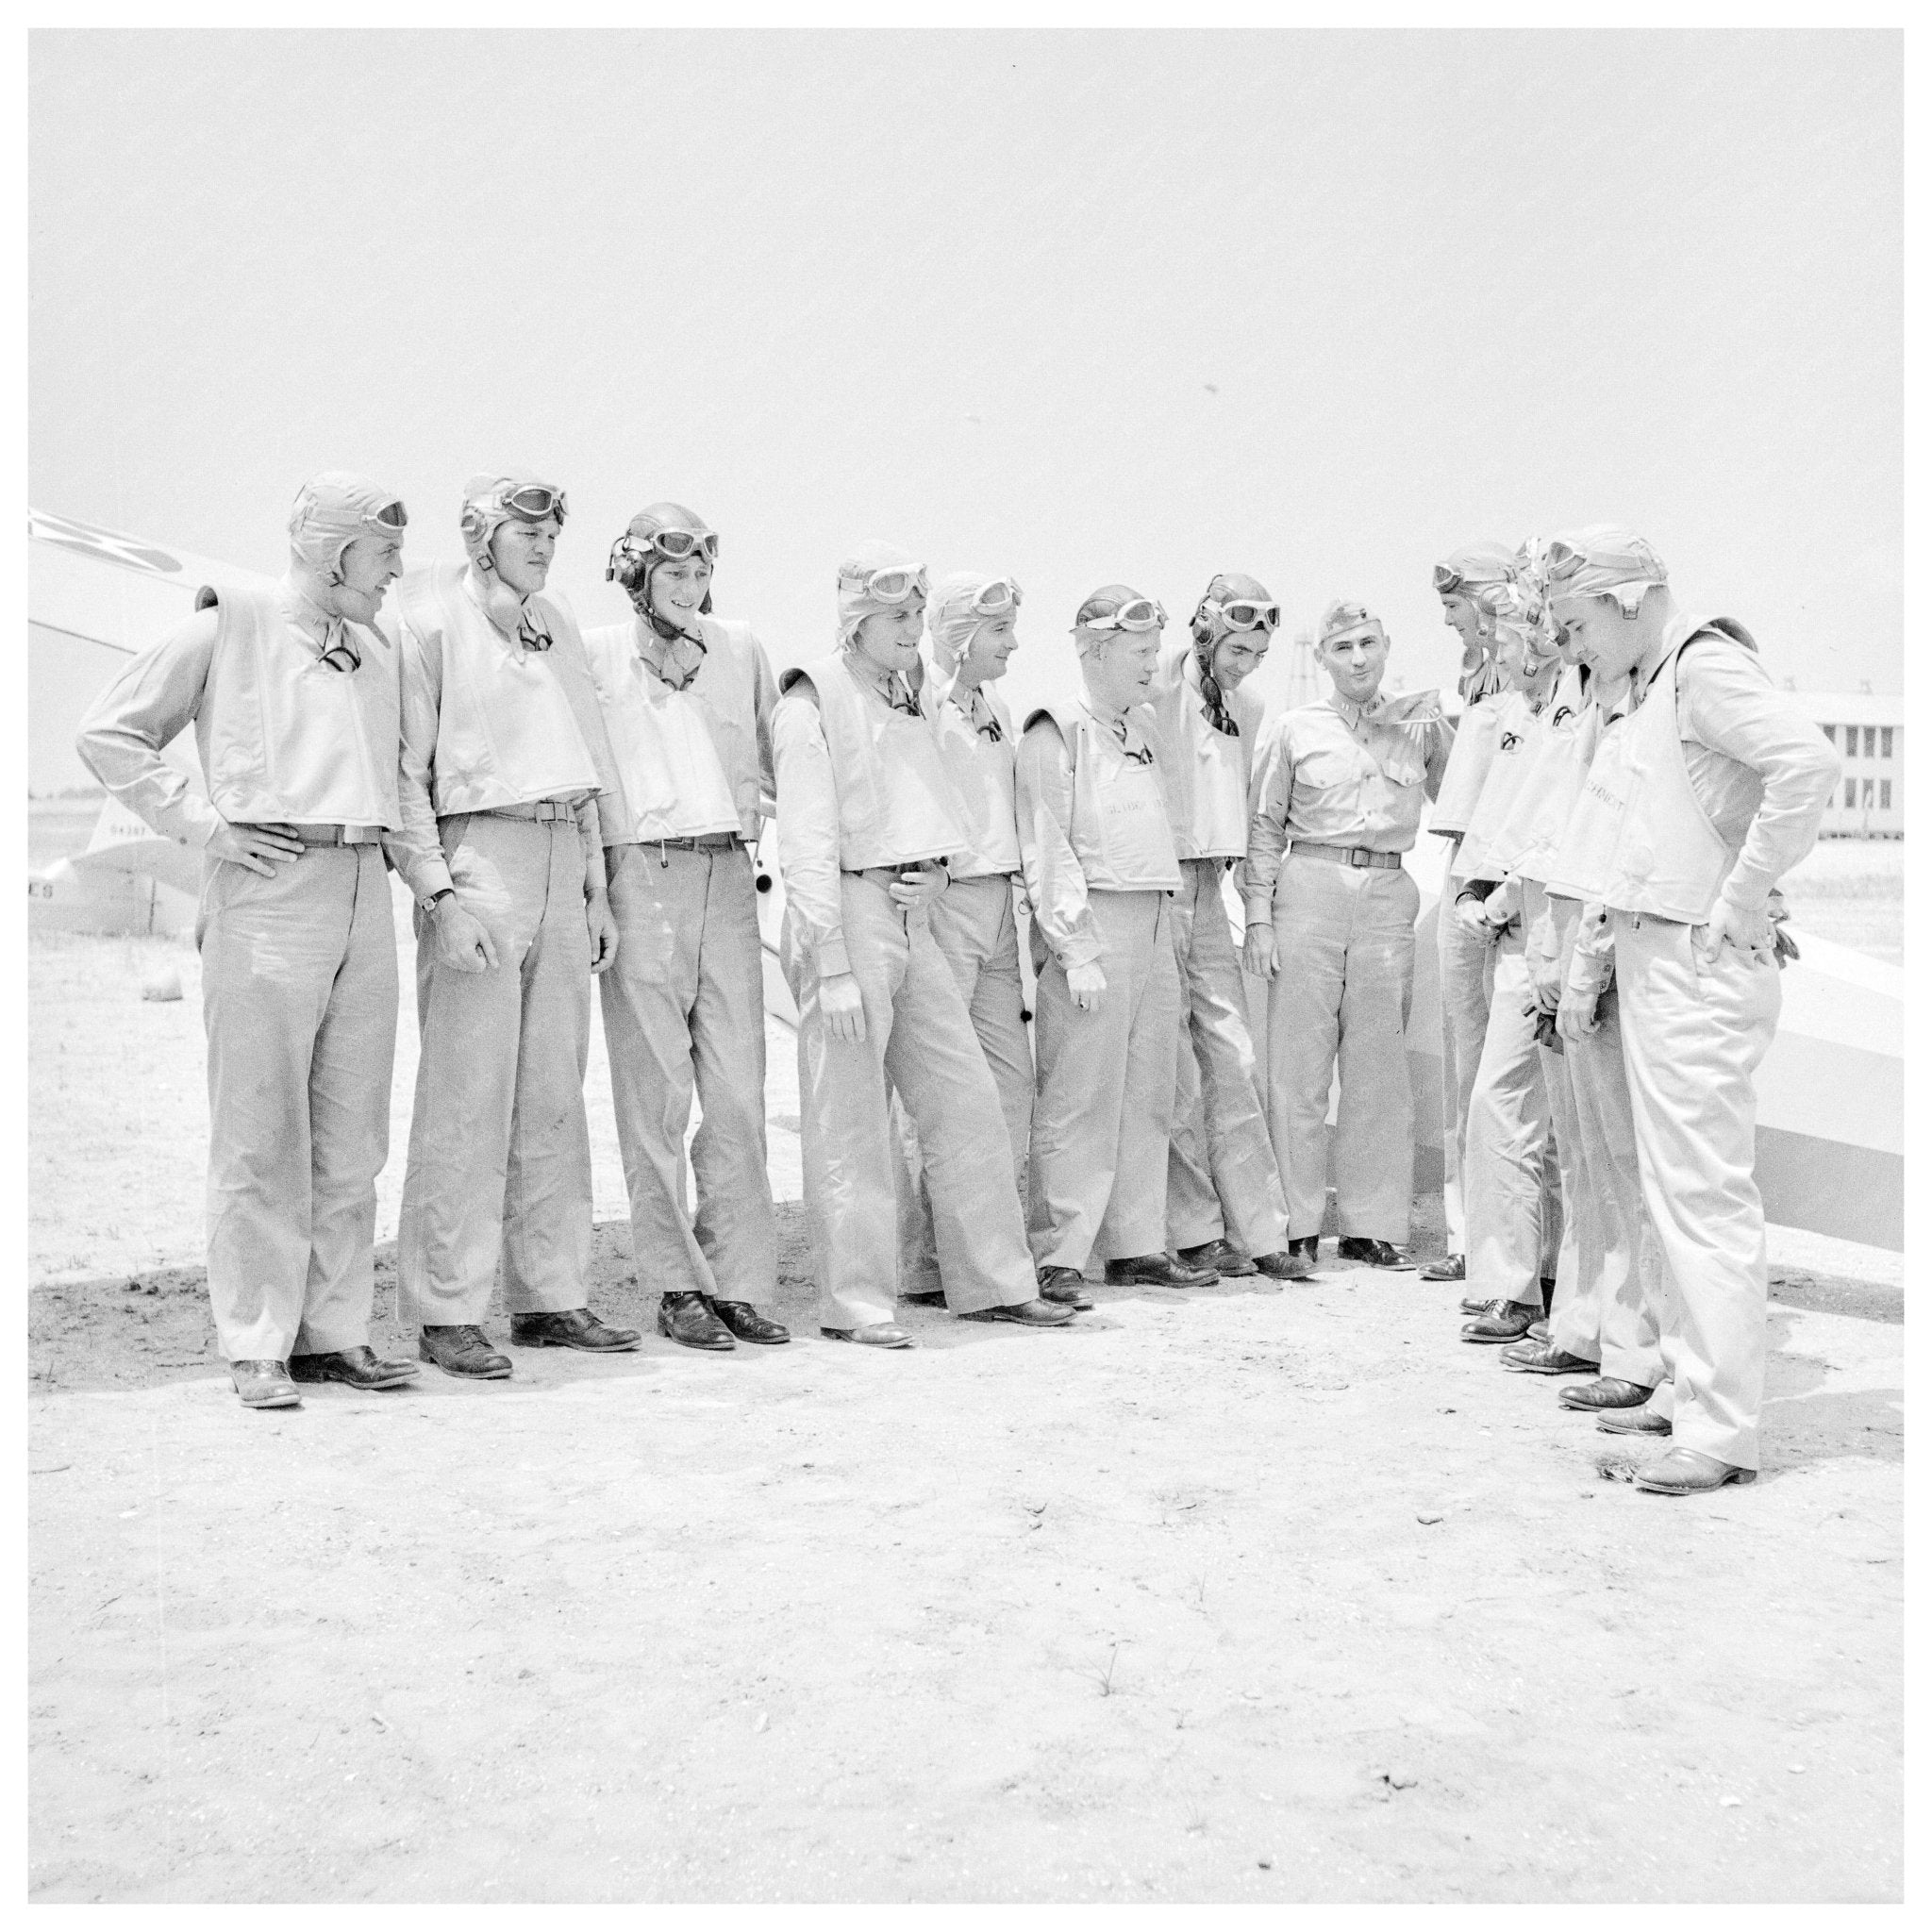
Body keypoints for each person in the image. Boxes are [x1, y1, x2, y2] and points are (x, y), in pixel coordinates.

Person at [76, 474, 419, 1409]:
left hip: (362, 884)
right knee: (262, 1131)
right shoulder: (228, 623)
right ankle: (258, 1338)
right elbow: (109, 732)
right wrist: (205, 825)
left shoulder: (381, 648)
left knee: (351, 1134)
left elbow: (400, 775)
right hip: (268, 887)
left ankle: (335, 1330)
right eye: (383, 554)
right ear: (334, 550)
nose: (395, 571)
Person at [1543, 525, 1838, 1494]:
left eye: (1576, 621)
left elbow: (1806, 766)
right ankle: (1683, 1388)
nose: (1569, 643)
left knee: (1702, 1197)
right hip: (1650, 949)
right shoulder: (1642, 683)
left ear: (1628, 601)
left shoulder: (1701, 667)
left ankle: (1719, 1432)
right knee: (1668, 1195)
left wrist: (1746, 892)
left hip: (1696, 961)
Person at [774, 542, 1073, 1344]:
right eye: (899, 617)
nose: (915, 630)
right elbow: (803, 841)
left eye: (917, 615)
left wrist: (938, 873)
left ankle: (996, 1284)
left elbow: (928, 801)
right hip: (845, 912)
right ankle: (857, 1305)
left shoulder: (908, 692)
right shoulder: (813, 698)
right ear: (858, 621)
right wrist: (831, 963)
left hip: (914, 912)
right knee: (851, 1121)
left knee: (967, 1104)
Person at [391, 473, 639, 1380]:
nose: (542, 545)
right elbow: (403, 778)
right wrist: (437, 895)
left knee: (553, 1094)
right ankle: (446, 1310)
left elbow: (585, 763)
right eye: (522, 530)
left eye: (551, 533)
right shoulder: (426, 626)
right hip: (480, 857)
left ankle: (550, 1297)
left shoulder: (557, 623)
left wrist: (600, 889)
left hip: (561, 852)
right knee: (467, 1096)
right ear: (479, 535)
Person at [582, 504, 789, 1353]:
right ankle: (676, 1284)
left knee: (739, 1094)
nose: (691, 588)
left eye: (701, 573)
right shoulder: (591, 654)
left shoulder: (739, 648)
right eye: (673, 574)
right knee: (655, 1095)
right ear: (634, 574)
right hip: (643, 873)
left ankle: (737, 1281)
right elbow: (587, 784)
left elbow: (784, 760)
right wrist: (598, 891)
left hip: (729, 872)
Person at [1243, 600, 1453, 1270]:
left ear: (1387, 645)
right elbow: (1264, 827)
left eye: (1367, 643)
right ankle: (1296, 1223)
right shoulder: (1294, 729)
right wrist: (1257, 916)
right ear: (1322, 659)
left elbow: (1466, 802)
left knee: (1378, 1069)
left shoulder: (1419, 725)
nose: (1358, 658)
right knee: (1297, 1068)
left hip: (1389, 893)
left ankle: (1370, 1224)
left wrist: (1449, 722)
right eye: (1342, 648)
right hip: (1309, 888)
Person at [1019, 588, 1214, 1299]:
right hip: (1095, 923)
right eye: (1138, 653)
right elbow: (1048, 846)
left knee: (1148, 1093)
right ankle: (1060, 1253)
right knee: (1080, 1095)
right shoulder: (1055, 730)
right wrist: (1075, 949)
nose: (1151, 666)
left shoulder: (1141, 728)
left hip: (1154, 915)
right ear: (1094, 652)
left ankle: (1136, 1244)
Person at [1146, 575, 1301, 1282]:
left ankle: (1262, 1229)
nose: (1245, 663)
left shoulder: (1251, 705)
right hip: (1156, 883)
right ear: (1205, 632)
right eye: (1236, 647)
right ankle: (1193, 1230)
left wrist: (1255, 908)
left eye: (1258, 652)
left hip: (1211, 888)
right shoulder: (1155, 688)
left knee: (1233, 1059)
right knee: (1174, 1072)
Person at [1447, 575, 1570, 1344]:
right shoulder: (1519, 715)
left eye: (1514, 632)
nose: (1501, 646)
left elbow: (1551, 834)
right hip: (1516, 934)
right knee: (1531, 1118)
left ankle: (1517, 1287)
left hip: (1540, 937)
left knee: (1503, 1107)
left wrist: (1491, 904)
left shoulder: (1570, 717)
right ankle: (1540, 1276)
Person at [1421, 541, 1519, 1284]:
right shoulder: (1475, 679)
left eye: (1456, 606)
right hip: (1463, 863)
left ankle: (1505, 1237)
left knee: (1504, 1069)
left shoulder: (1531, 674)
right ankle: (1467, 1234)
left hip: (1505, 874)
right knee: (1465, 1058)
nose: (1450, 622)